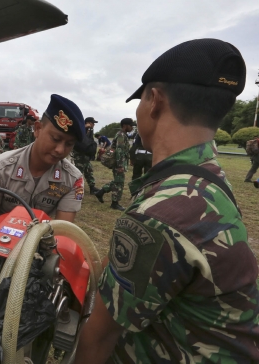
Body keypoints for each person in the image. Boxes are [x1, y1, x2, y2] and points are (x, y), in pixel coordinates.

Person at [75, 38, 259, 364]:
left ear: (155, 101)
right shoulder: (209, 181)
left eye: (140, 99)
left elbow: (98, 338)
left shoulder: (160, 215)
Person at [0, 94, 85, 228]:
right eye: (56, 139)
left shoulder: (73, 180)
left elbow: (61, 231)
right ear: (38, 129)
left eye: (69, 144)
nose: (60, 150)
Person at [94, 118, 134, 211]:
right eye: (130, 125)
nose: (132, 127)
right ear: (125, 125)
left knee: (118, 181)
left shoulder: (123, 135)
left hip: (119, 162)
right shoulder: (121, 135)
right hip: (118, 163)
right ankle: (114, 203)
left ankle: (101, 192)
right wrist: (120, 165)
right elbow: (119, 151)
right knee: (119, 182)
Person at [72, 116, 100, 195]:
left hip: (86, 155)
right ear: (88, 123)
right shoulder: (81, 129)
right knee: (78, 171)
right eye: (92, 123)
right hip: (79, 156)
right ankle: (75, 188)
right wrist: (84, 128)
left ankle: (92, 187)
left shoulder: (90, 130)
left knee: (88, 171)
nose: (93, 125)